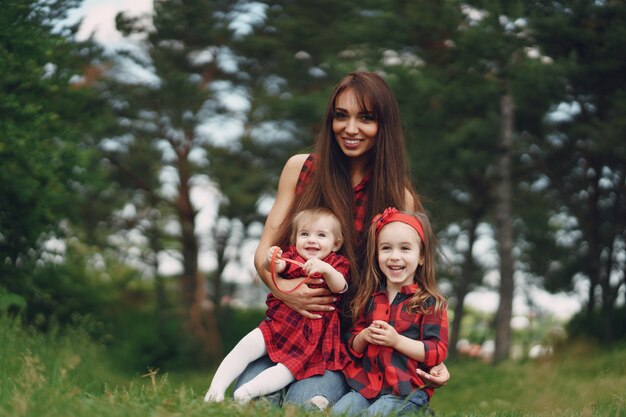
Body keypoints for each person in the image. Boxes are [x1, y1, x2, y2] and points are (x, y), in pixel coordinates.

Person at [233, 71, 450, 411]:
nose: (350, 128)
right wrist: (284, 292)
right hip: (289, 327)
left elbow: (409, 282)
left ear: (384, 126)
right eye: (341, 115)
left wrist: (432, 352)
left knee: (301, 406)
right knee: (248, 400)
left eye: (365, 118)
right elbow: (264, 252)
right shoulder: (300, 168)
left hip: (345, 341)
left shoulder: (399, 196)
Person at [204, 208, 350, 403]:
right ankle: (215, 390)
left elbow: (340, 286)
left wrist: (326, 269)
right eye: (304, 234)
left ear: (336, 243)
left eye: (321, 235)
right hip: (279, 324)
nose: (311, 240)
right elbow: (278, 267)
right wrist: (271, 260)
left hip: (310, 338)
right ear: (295, 239)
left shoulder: (336, 264)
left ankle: (247, 392)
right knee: (246, 346)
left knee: (286, 370)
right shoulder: (294, 258)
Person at [331, 207, 448, 417]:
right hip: (366, 388)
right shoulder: (370, 298)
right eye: (386, 248)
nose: (394, 257)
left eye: (405, 249)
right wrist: (364, 336)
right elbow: (351, 344)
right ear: (377, 254)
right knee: (339, 412)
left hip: (405, 391)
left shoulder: (430, 302)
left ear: (421, 256)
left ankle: (420, 412)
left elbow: (437, 350)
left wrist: (396, 341)